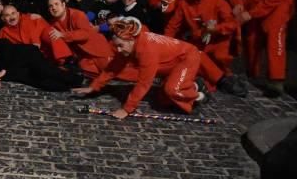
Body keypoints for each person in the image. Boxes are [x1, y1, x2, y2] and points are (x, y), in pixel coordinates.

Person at [73, 17, 208, 118]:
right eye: (117, 46)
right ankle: (194, 85)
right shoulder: (129, 45)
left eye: (121, 45)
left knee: (172, 90)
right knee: (163, 101)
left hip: (187, 57)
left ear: (131, 39)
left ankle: (199, 95)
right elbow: (112, 68)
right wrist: (94, 86)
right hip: (170, 63)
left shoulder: (146, 50)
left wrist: (127, 109)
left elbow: (144, 82)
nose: (118, 50)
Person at [226, 0, 295, 97]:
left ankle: (276, 80)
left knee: (274, 37)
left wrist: (250, 14)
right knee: (251, 38)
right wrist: (237, 4)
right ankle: (252, 74)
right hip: (255, 3)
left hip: (279, 4)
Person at [47, 0, 113, 76]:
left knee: (115, 75)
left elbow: (85, 34)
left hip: (98, 51)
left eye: (56, 4)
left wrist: (63, 35)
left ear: (63, 5)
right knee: (92, 79)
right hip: (83, 58)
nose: (53, 8)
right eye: (50, 6)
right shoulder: (52, 24)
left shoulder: (77, 14)